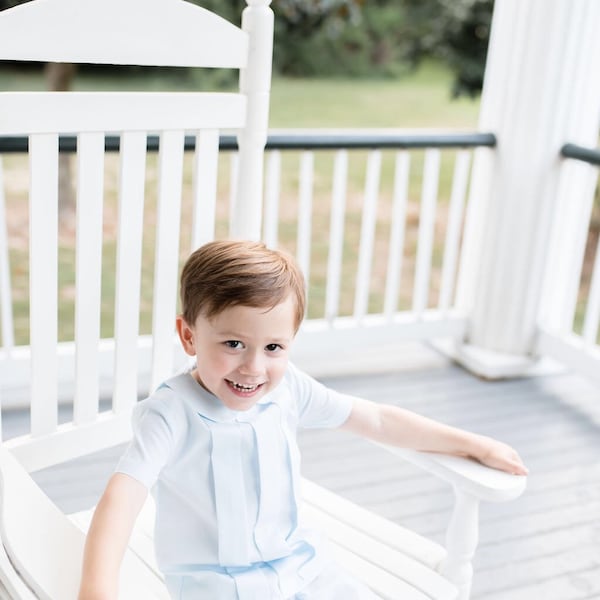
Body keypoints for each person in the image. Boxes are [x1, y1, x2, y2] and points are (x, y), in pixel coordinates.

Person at [78, 239, 528, 600]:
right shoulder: (172, 412)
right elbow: (123, 497)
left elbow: (376, 419)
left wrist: (471, 443)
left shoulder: (288, 387)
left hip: (304, 566)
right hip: (216, 585)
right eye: (233, 344)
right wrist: (97, 591)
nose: (254, 367)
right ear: (189, 335)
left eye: (274, 347)